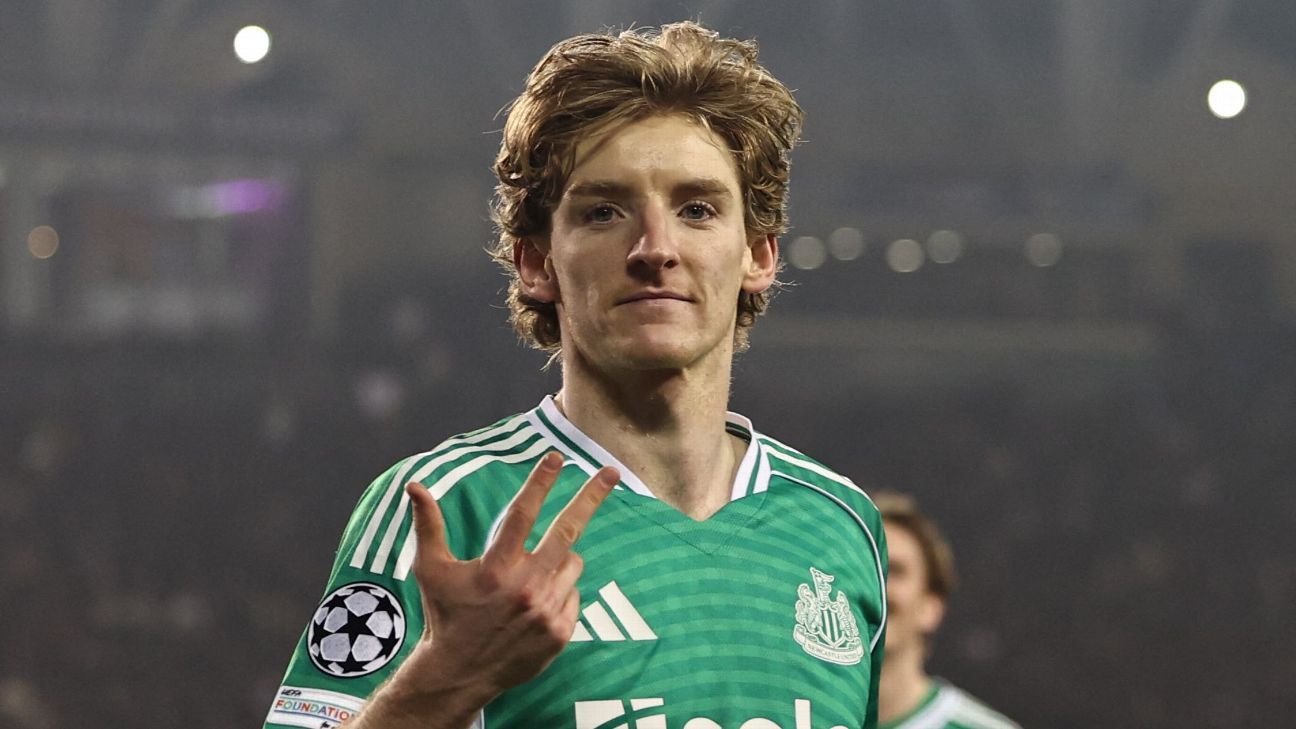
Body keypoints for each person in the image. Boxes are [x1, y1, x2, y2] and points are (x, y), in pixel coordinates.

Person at [265, 21, 887, 729]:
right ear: (537, 263)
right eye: (603, 212)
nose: (655, 248)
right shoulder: (447, 505)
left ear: (759, 254)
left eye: (697, 209)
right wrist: (445, 681)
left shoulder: (841, 524)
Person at [873, 491, 1020, 729]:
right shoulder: (808, 716)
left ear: (930, 607)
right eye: (865, 568)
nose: (876, 586)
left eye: (896, 571)